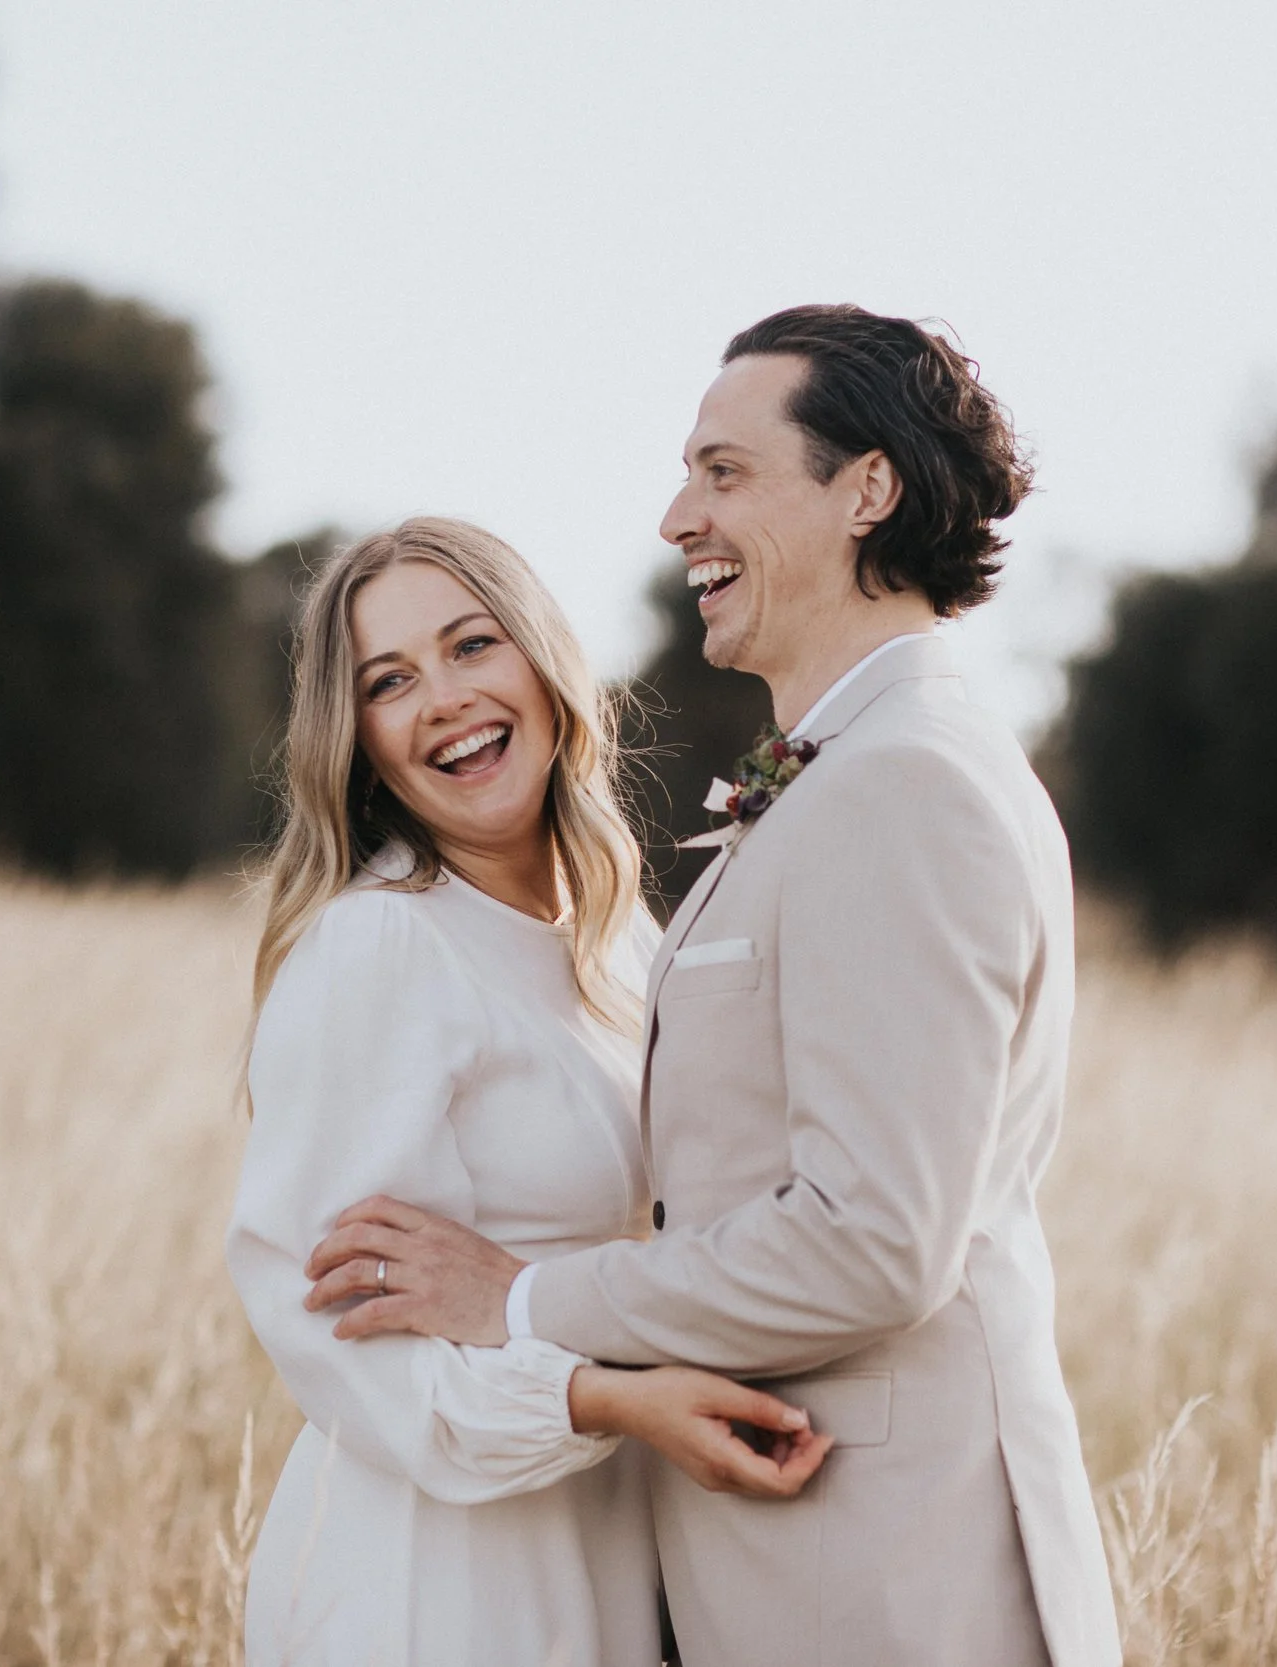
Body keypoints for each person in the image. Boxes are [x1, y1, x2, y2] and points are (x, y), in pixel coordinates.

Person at [301, 308, 1126, 1667]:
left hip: (885, 1576)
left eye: (725, 470)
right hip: (798, 1555)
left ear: (868, 488)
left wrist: (521, 1297)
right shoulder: (855, 767)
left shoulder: (904, 782)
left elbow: (873, 1241)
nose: (680, 513)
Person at [225, 516, 831, 1667]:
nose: (443, 697)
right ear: (355, 738)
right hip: (432, 1578)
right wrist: (609, 1399)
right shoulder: (377, 948)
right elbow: (339, 1336)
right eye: (389, 680)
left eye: (471, 645)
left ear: (546, 664)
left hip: (618, 1546)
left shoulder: (623, 947)